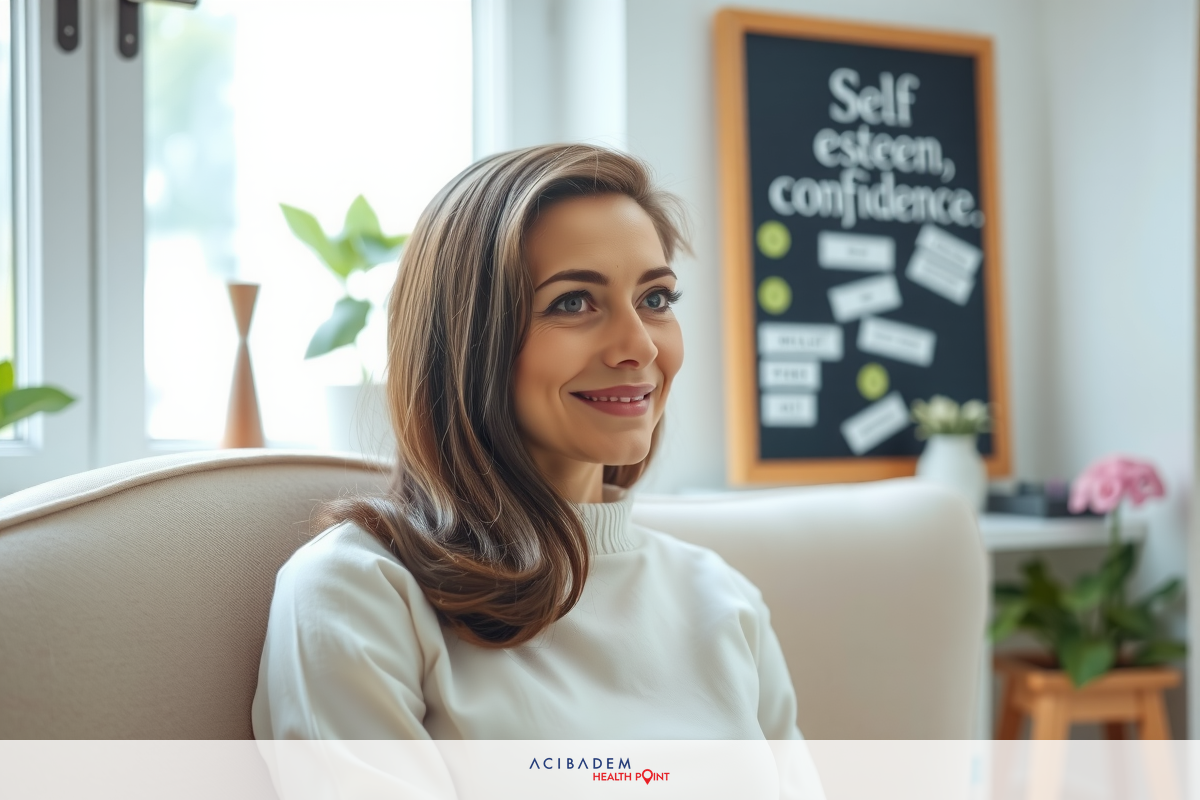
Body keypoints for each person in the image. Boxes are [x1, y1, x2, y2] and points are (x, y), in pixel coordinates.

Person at [252, 144, 804, 743]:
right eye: (573, 302)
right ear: (468, 345)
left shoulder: (723, 600)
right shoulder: (360, 590)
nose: (640, 346)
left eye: (656, 299)